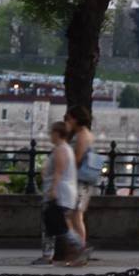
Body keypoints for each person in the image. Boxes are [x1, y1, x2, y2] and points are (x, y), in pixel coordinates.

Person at [40, 121, 85, 265]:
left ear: (57, 133)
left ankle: (78, 247)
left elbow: (58, 172)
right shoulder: (67, 149)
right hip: (66, 194)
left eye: (51, 133)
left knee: (57, 227)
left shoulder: (60, 149)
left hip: (60, 194)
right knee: (55, 226)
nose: (50, 136)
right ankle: (49, 255)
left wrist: (53, 191)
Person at [63, 105, 97, 258]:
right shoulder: (84, 134)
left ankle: (80, 249)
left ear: (76, 119)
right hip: (82, 181)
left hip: (79, 181)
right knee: (75, 216)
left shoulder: (82, 135)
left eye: (69, 119)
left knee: (74, 216)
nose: (67, 122)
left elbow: (77, 158)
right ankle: (78, 249)